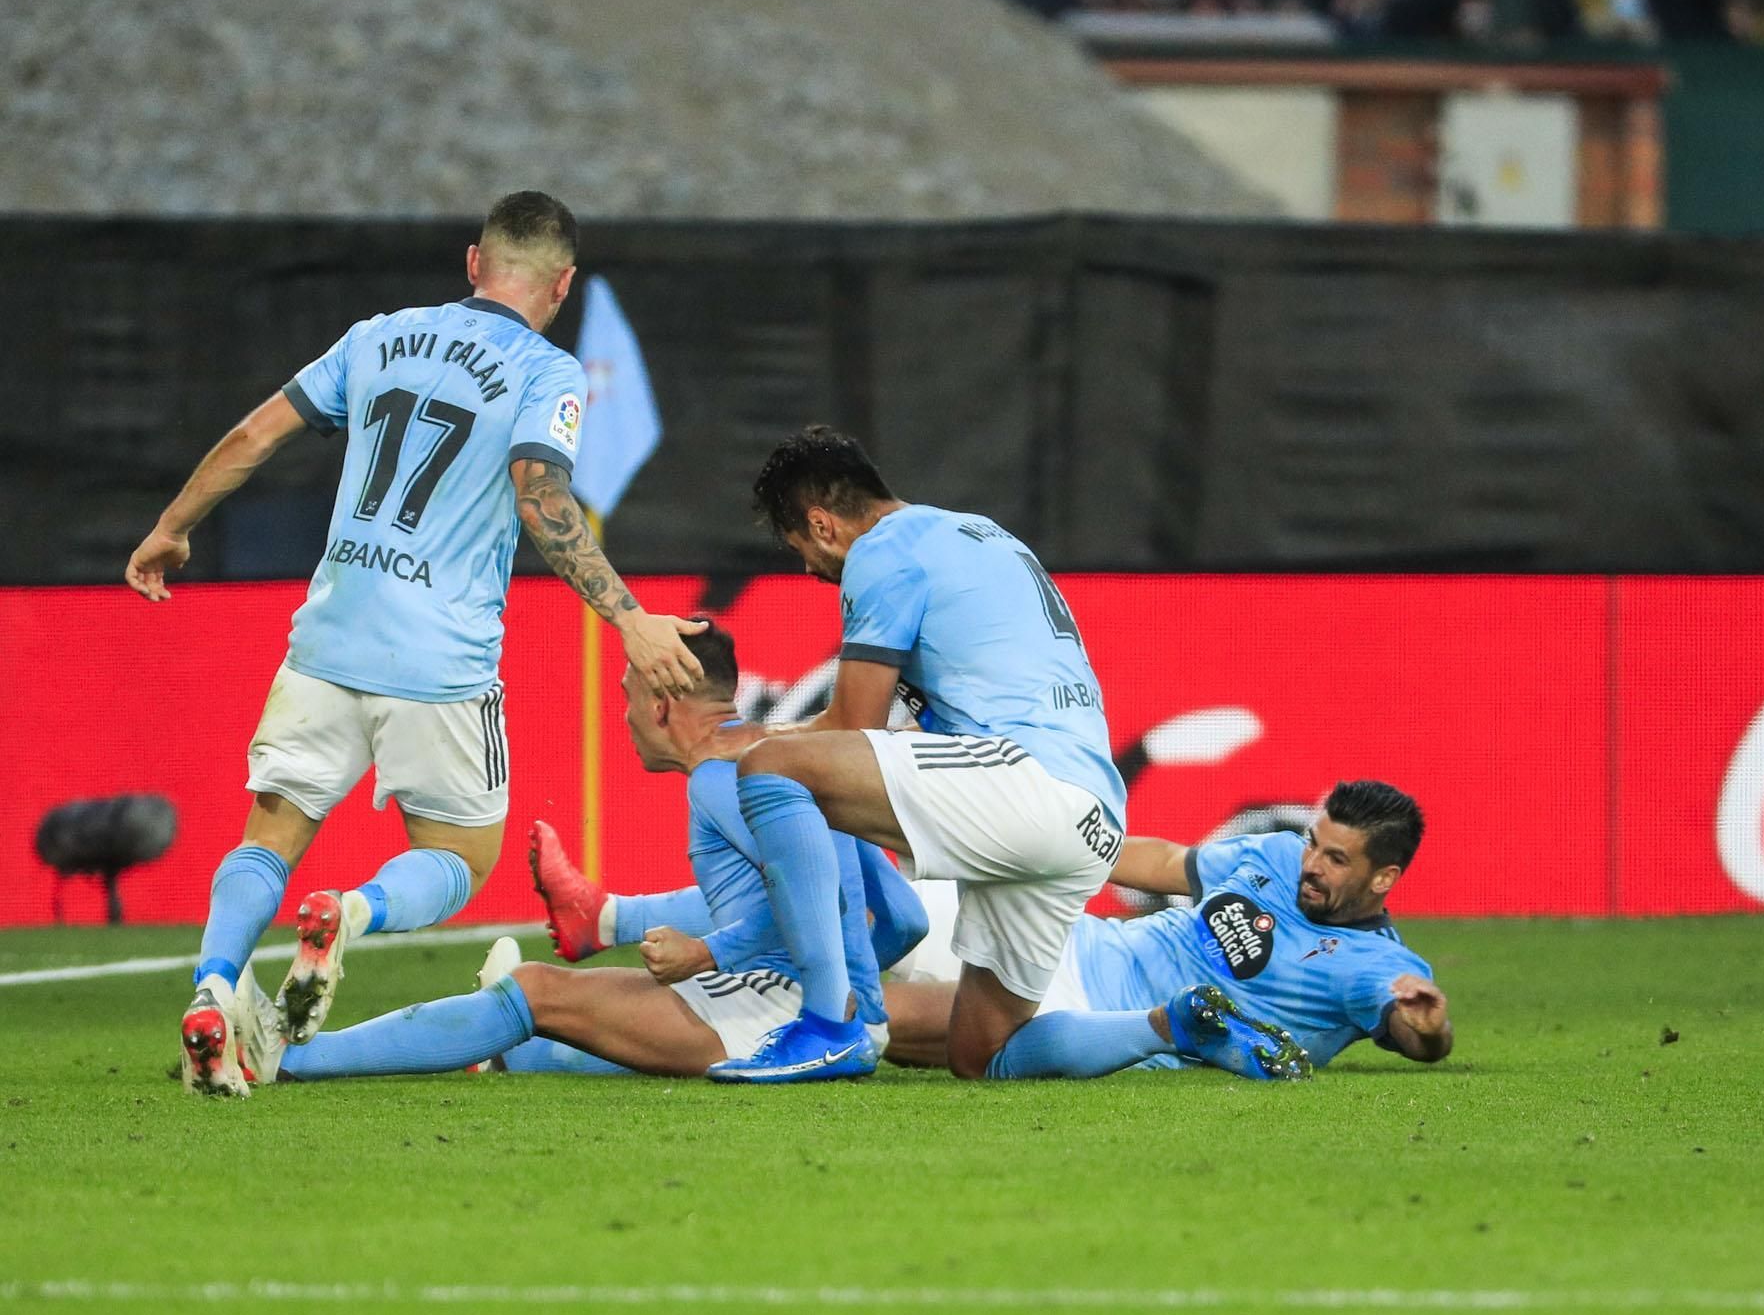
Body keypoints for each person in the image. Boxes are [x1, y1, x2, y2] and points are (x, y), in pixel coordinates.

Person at [126, 190, 708, 1098]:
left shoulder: (377, 336)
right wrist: (629, 617)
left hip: (327, 635)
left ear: (473, 263)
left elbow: (254, 435)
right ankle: (349, 912)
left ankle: (211, 987)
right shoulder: (547, 370)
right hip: (440, 658)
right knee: (462, 858)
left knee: (269, 835)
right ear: (562, 286)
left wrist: (171, 526)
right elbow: (539, 493)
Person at [270, 627, 915, 1085]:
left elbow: (818, 893)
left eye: (629, 695)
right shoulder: (786, 762)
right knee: (575, 1021)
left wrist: (709, 955)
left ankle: (290, 1059)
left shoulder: (722, 778)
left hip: (792, 1014)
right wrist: (861, 993)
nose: (624, 713)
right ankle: (499, 1052)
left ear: (662, 706)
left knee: (537, 991)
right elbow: (901, 917)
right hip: (828, 1012)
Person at [728, 428, 1132, 1083]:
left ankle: (828, 1024)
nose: (807, 569)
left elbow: (852, 727)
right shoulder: (978, 533)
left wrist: (740, 740)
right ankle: (1166, 1029)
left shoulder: (882, 553)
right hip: (1094, 816)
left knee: (770, 771)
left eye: (799, 547)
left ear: (821, 523)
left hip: (1026, 784)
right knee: (981, 1052)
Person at [897, 780, 1452, 1081]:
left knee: (876, 1017)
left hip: (1091, 1012)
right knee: (879, 910)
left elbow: (1417, 1037)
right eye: (1314, 843)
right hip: (1075, 938)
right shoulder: (1279, 854)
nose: (1311, 864)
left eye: (1336, 859)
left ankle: (1177, 1026)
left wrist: (1427, 1029)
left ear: (1384, 877)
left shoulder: (1374, 965)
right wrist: (1056, 846)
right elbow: (1167, 864)